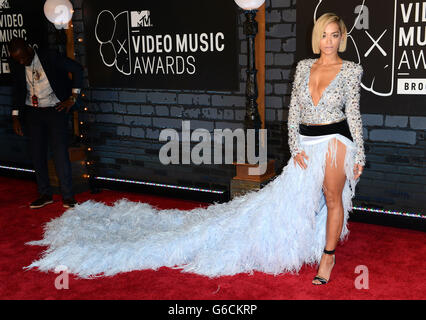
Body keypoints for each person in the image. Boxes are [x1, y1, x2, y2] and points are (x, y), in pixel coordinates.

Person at [24, 13, 365, 285]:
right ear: (317, 36)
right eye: (325, 34)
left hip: (336, 143)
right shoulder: (305, 67)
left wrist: (359, 156)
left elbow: (354, 116)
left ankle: (328, 255)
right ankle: (313, 245)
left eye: (335, 35)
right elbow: (293, 112)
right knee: (294, 204)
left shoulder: (350, 71)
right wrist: (295, 146)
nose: (330, 41)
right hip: (306, 143)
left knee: (332, 198)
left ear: (342, 38)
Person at [8, 37, 84, 209]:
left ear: (29, 49)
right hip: (33, 112)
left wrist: (72, 97)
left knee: (59, 153)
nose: (21, 62)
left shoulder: (49, 57)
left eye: (23, 58)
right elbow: (18, 91)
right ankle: (45, 194)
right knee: (37, 154)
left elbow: (77, 69)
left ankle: (68, 196)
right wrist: (15, 117)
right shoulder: (17, 64)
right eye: (17, 59)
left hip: (55, 109)